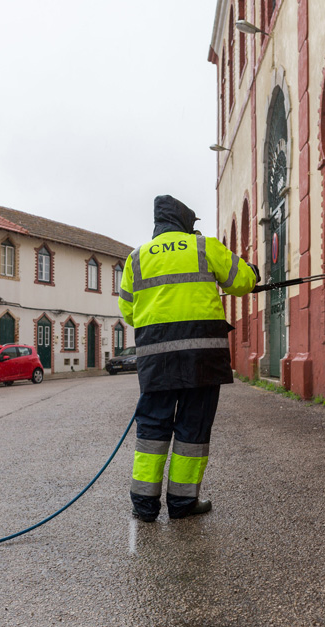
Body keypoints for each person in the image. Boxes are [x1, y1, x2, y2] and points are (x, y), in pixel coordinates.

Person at [118, 195, 259, 522]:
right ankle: (182, 504)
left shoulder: (136, 258)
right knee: (193, 428)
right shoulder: (203, 247)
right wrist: (252, 272)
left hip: (156, 360)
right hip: (202, 358)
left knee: (152, 428)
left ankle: (144, 505)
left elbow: (128, 312)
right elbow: (242, 282)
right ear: (185, 222)